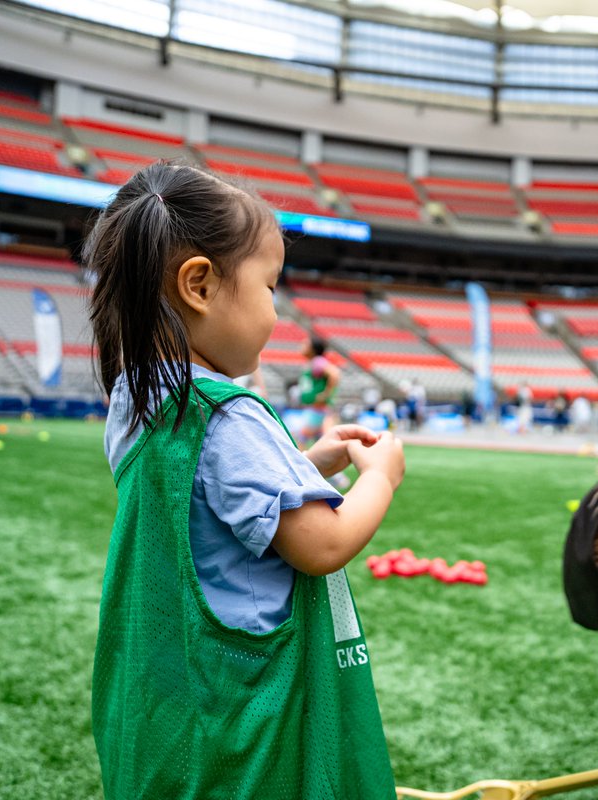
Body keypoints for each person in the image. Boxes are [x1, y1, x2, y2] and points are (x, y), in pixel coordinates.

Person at [86, 163, 404, 799]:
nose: (276, 311)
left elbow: (205, 502)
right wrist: (382, 478)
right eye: (270, 286)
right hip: (243, 708)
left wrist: (301, 466)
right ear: (200, 285)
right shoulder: (228, 413)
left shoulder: (138, 400)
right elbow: (323, 543)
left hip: (171, 693)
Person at [298, 337, 340, 442]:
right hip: (316, 409)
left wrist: (326, 394)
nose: (301, 346)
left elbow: (334, 373)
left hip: (318, 410)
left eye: (305, 345)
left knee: (302, 439)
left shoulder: (317, 362)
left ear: (313, 349)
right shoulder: (313, 362)